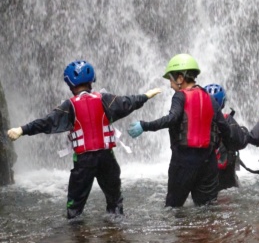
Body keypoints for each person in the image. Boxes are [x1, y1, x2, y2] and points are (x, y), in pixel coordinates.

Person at [6, 60, 161, 219]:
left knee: (75, 207)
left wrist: (22, 130)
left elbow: (46, 122)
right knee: (115, 201)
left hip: (84, 162)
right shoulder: (104, 99)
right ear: (91, 81)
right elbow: (128, 102)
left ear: (70, 85)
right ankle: (117, 234)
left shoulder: (69, 106)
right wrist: (145, 96)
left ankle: (77, 236)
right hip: (106, 158)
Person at [127, 54, 244, 207]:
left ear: (180, 78)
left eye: (171, 79)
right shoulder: (210, 98)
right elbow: (225, 130)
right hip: (208, 163)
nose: (170, 85)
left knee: (173, 209)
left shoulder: (180, 96)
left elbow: (172, 119)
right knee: (207, 209)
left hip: (183, 162)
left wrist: (145, 125)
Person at [205, 83, 242, 191]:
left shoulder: (198, 121)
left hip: (206, 176)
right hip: (227, 177)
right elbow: (241, 141)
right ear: (223, 103)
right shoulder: (228, 120)